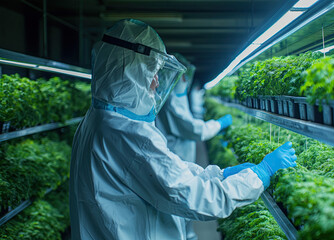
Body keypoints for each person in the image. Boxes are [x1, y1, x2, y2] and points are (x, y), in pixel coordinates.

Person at [70, 19, 297, 240]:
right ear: (132, 73)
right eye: (153, 73)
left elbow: (168, 172)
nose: (157, 82)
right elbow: (195, 197)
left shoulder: (99, 118)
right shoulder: (127, 132)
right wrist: (258, 176)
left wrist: (220, 174)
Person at [155, 53, 232, 239]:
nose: (186, 80)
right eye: (185, 76)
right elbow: (192, 128)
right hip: (175, 154)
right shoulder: (171, 99)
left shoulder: (176, 95)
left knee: (183, 204)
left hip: (181, 154)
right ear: (180, 76)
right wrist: (218, 124)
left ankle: (188, 234)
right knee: (181, 202)